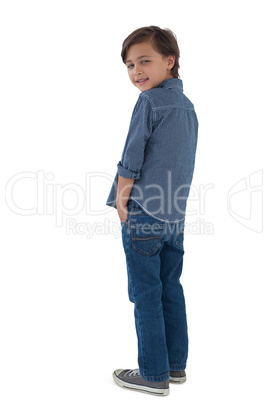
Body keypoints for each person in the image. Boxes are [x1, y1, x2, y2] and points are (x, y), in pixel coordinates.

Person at [106, 26, 198, 396]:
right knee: (169, 290)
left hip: (144, 212)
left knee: (145, 294)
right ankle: (175, 367)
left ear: (169, 61)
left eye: (144, 61)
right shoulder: (187, 107)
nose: (136, 72)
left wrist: (122, 202)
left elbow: (131, 160)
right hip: (174, 218)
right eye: (129, 65)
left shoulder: (149, 103)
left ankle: (153, 374)